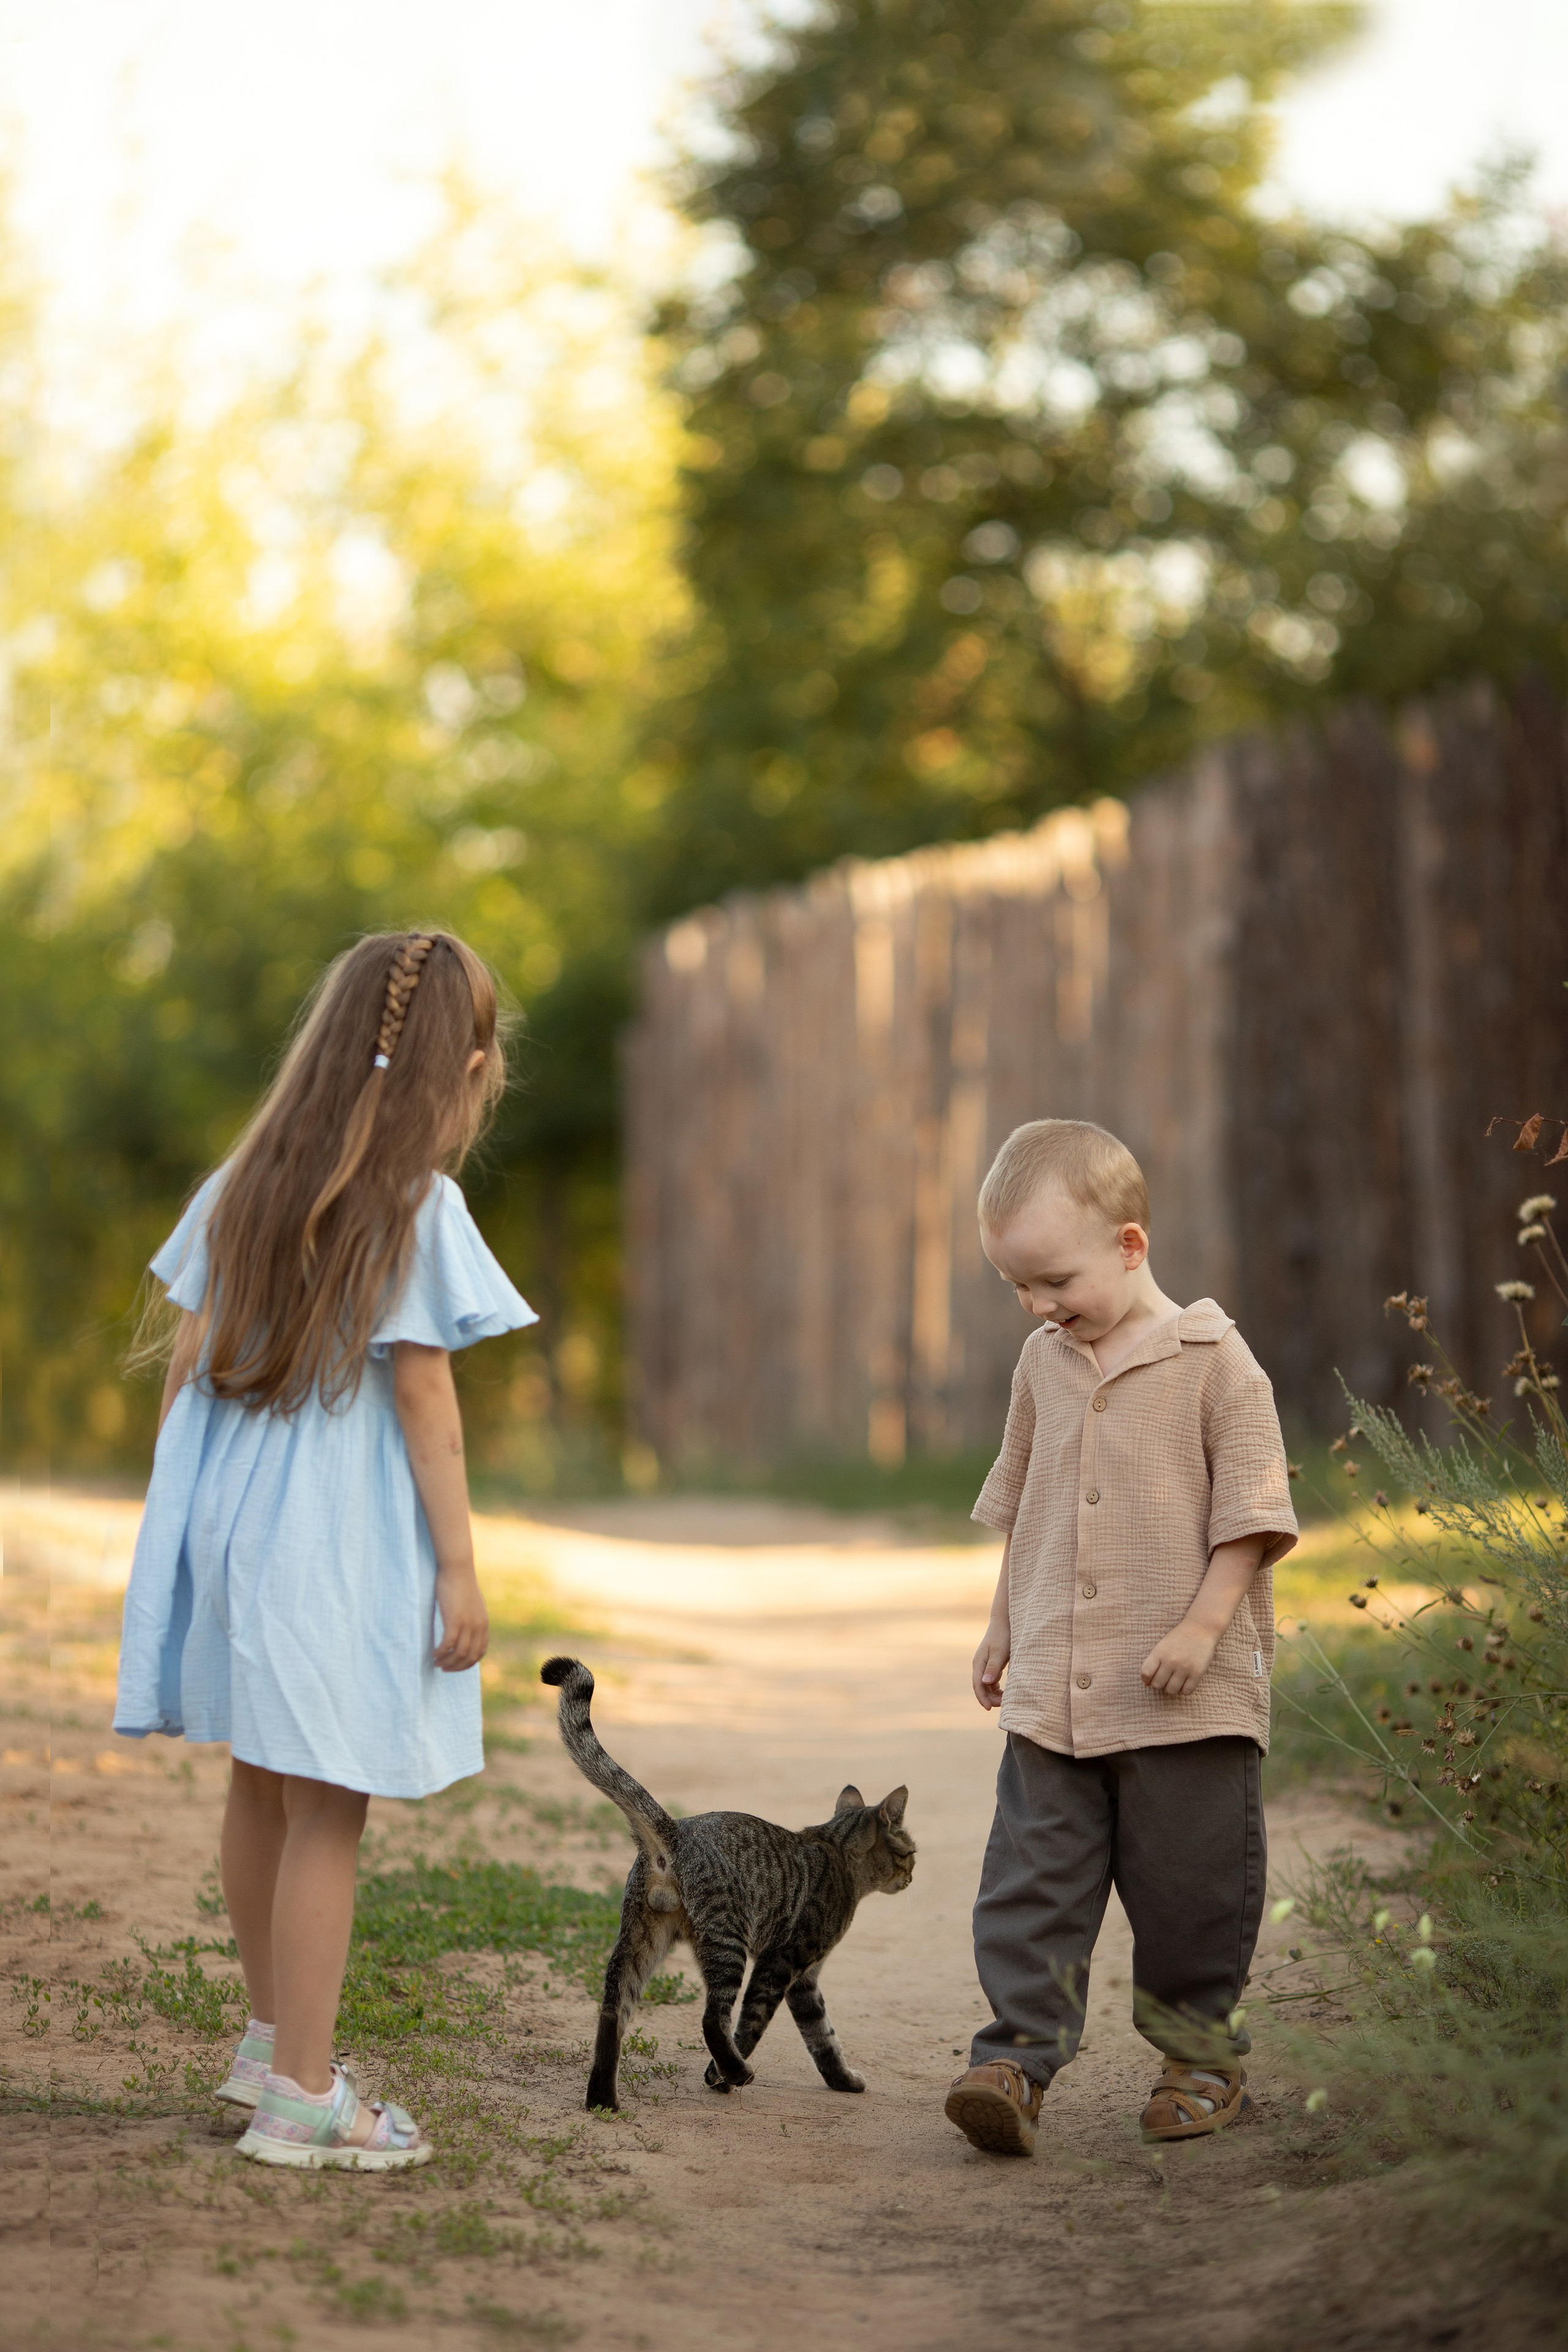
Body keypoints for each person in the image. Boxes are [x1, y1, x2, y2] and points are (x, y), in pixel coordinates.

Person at [115, 930, 535, 2170]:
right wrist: (458, 1567)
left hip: (235, 1527)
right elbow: (424, 1403)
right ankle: (306, 2093)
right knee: (328, 1810)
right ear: (460, 1068)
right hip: (331, 1547)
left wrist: (186, 1531)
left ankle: (265, 2044)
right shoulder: (418, 1204)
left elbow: (185, 1369)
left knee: (259, 1778)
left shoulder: (246, 1178)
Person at [943, 1119, 1297, 2158]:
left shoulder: (1216, 1363)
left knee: (1193, 1888)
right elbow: (1024, 1501)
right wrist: (1003, 1622)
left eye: (1053, 1279)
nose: (1039, 1305)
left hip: (1188, 1696)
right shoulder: (1042, 1365)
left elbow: (1253, 1515)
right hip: (1056, 1684)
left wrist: (1201, 1625)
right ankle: (1013, 2059)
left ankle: (1200, 2058)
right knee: (1030, 1879)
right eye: (1017, 1286)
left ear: (1131, 1246)